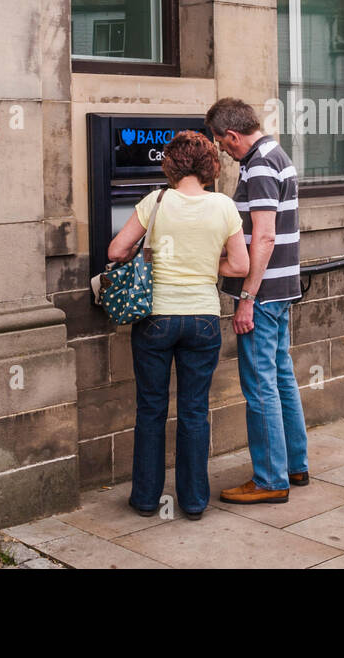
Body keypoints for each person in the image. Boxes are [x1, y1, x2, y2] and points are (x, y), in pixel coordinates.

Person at [108, 130, 249, 520]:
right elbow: (240, 265)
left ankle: (146, 499)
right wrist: (207, 265)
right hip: (202, 318)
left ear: (170, 163)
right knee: (193, 410)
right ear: (209, 166)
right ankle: (193, 501)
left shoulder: (156, 201)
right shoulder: (223, 206)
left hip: (156, 317)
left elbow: (116, 251)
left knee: (151, 409)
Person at [205, 98, 309, 505]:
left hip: (262, 295)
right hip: (279, 291)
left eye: (221, 143)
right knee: (281, 377)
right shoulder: (273, 154)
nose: (222, 151)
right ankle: (294, 465)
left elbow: (264, 236)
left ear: (233, 135)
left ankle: (269, 480)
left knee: (260, 384)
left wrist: (246, 297)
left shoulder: (261, 164)